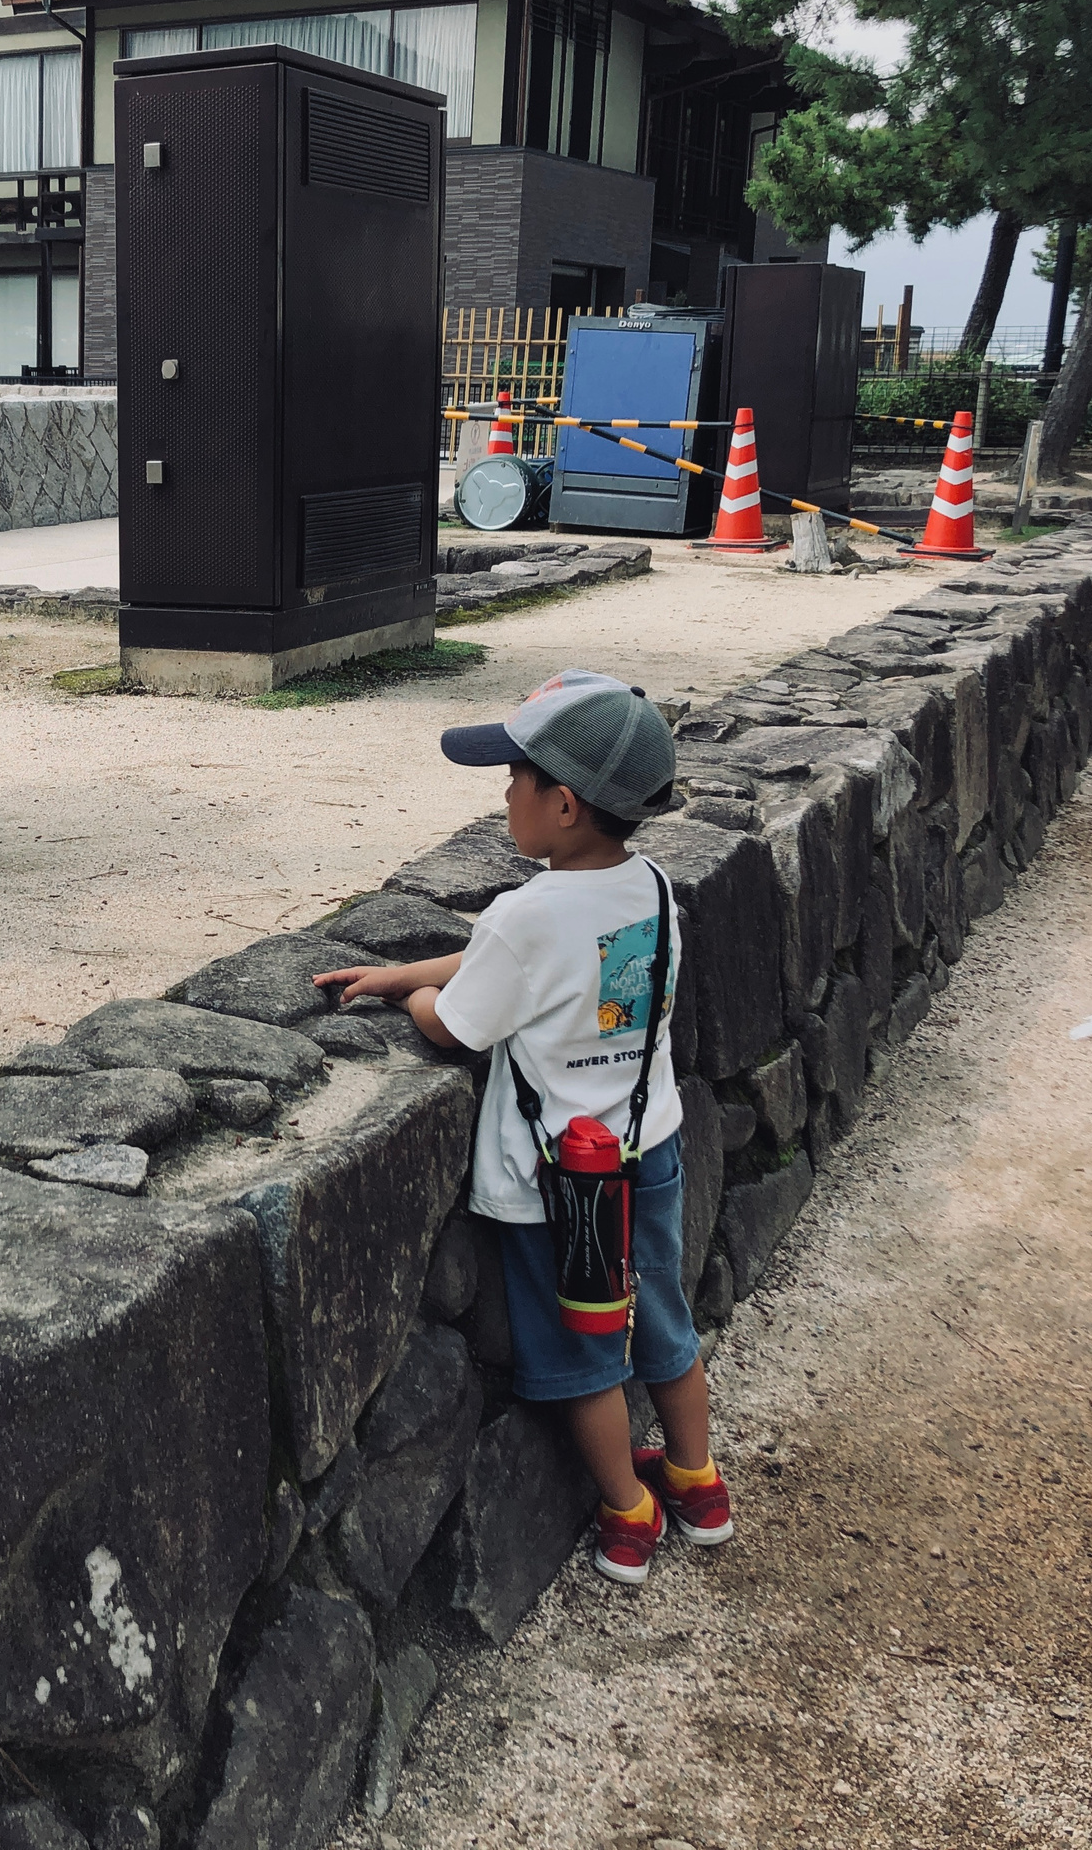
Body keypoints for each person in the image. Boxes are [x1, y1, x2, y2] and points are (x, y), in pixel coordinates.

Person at [312, 673, 728, 1585]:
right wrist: (400, 968)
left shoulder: (526, 913)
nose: (504, 792)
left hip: (560, 1188)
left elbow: (458, 1019)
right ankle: (698, 1484)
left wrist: (413, 995)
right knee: (661, 1320)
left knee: (585, 1351)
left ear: (565, 804)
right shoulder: (649, 889)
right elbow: (525, 961)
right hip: (644, 1148)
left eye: (514, 775)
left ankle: (628, 1510)